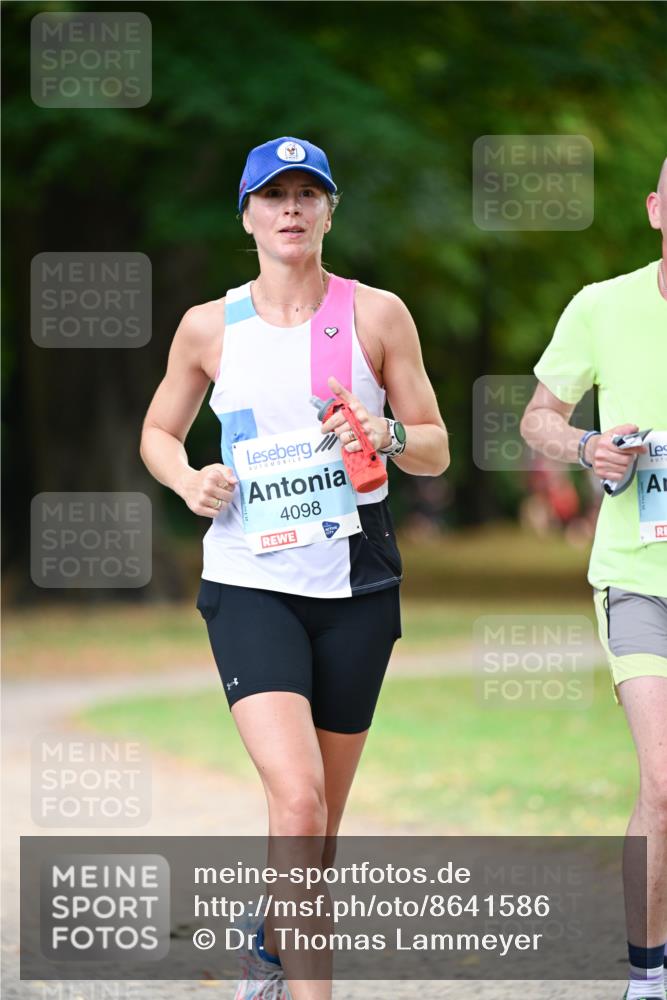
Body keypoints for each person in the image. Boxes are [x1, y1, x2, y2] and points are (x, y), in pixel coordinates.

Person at [139, 136, 449, 1000]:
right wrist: (187, 478)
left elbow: (434, 448)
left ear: (327, 211)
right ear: (246, 216)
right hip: (249, 583)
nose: (290, 207)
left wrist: (385, 434)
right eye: (272, 195)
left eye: (307, 193)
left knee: (319, 821)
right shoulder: (211, 325)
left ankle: (270, 945)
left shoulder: (376, 314)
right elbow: (158, 432)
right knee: (301, 803)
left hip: (356, 585)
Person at [520, 158, 667, 1000]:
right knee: (661, 783)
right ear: (654, 210)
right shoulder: (601, 305)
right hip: (638, 578)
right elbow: (538, 416)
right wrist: (586, 448)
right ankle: (645, 978)